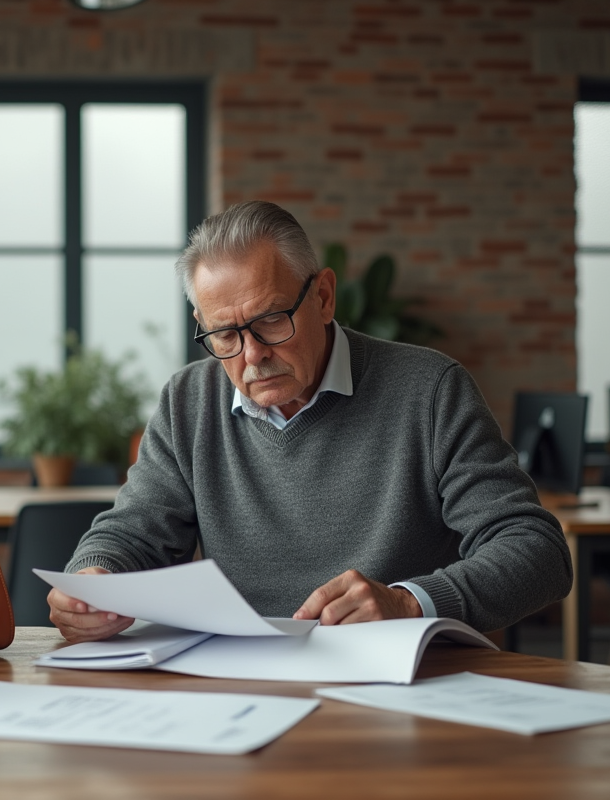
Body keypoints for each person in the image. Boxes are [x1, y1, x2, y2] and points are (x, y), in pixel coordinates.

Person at [48, 200, 572, 643]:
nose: (252, 356)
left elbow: (537, 551)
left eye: (271, 319)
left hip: (404, 685)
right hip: (242, 680)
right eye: (225, 336)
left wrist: (409, 603)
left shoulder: (430, 389)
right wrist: (94, 580)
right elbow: (133, 534)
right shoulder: (189, 400)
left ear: (323, 296)